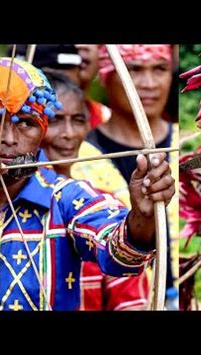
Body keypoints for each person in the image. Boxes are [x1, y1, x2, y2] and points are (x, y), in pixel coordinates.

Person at [0, 57, 175, 311]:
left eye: (27, 124)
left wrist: (143, 215)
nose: (7, 139)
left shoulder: (65, 198)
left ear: (41, 134)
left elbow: (120, 251)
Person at [79, 45, 179, 308]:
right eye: (134, 69)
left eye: (159, 69)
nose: (149, 84)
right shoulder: (79, 156)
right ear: (108, 74)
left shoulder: (185, 142)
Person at [41, 71, 148, 310]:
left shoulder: (101, 206)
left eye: (78, 120)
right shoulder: (5, 203)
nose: (68, 134)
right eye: (55, 120)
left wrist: (143, 219)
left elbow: (129, 301)